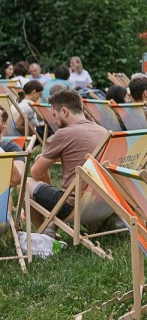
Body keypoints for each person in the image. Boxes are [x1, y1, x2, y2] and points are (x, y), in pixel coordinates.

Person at [26, 90, 109, 228]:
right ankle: (51, 228)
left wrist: (45, 156)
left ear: (64, 111)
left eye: (54, 114)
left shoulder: (64, 134)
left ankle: (46, 233)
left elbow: (35, 172)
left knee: (26, 184)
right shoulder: (103, 131)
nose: (54, 120)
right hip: (103, 204)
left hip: (72, 207)